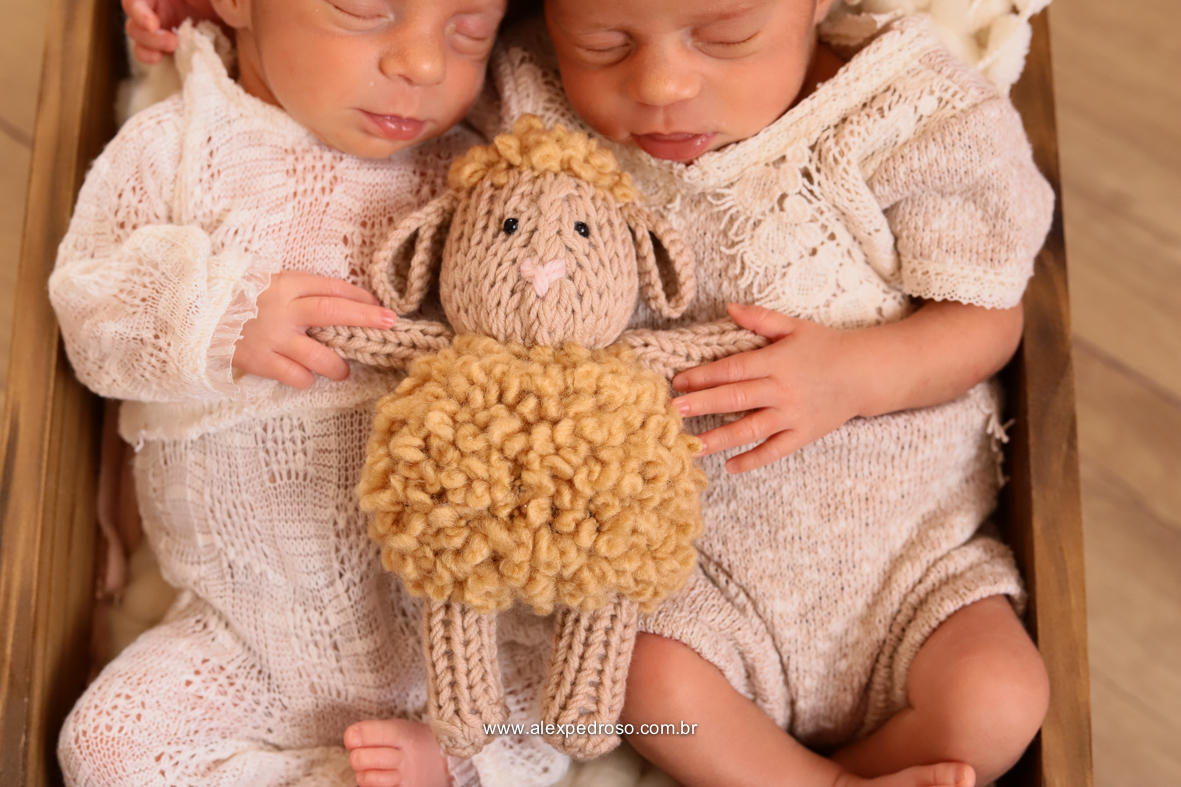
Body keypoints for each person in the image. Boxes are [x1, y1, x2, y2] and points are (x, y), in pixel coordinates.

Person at [459, 1, 1054, 785]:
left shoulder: (906, 108)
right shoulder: (530, 98)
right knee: (641, 685)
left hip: (908, 565)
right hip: (694, 581)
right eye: (601, 44)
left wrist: (853, 375)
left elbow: (987, 318)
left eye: (725, 36)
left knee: (999, 700)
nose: (661, 83)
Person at [51, 2, 567, 786]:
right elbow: (89, 309)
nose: (424, 66)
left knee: (573, 691)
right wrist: (220, 315)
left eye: (468, 30)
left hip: (452, 635)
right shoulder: (181, 142)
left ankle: (456, 765)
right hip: (244, 630)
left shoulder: (479, 177)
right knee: (108, 744)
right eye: (365, 11)